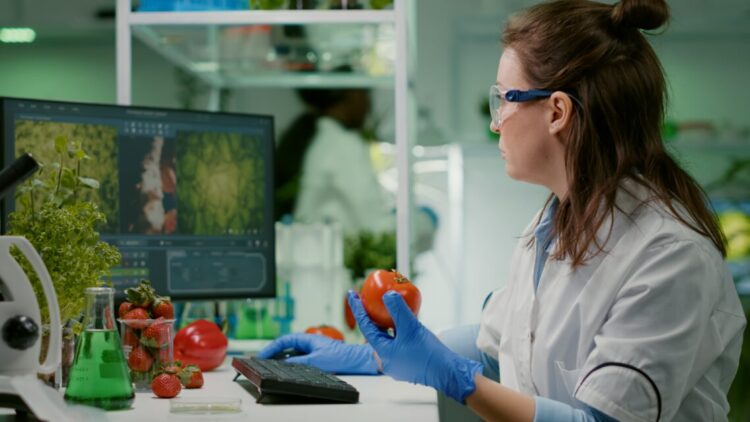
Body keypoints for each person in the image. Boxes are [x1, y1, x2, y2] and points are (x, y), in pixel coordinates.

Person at [259, 0, 746, 420]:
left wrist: (455, 380)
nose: (496, 124)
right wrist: (373, 357)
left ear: (558, 112)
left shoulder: (669, 257)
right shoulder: (554, 221)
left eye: (504, 100)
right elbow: (498, 344)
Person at [274, 85, 392, 234]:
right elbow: (372, 217)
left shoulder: (320, 136)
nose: (368, 105)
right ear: (353, 93)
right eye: (366, 94)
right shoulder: (342, 144)